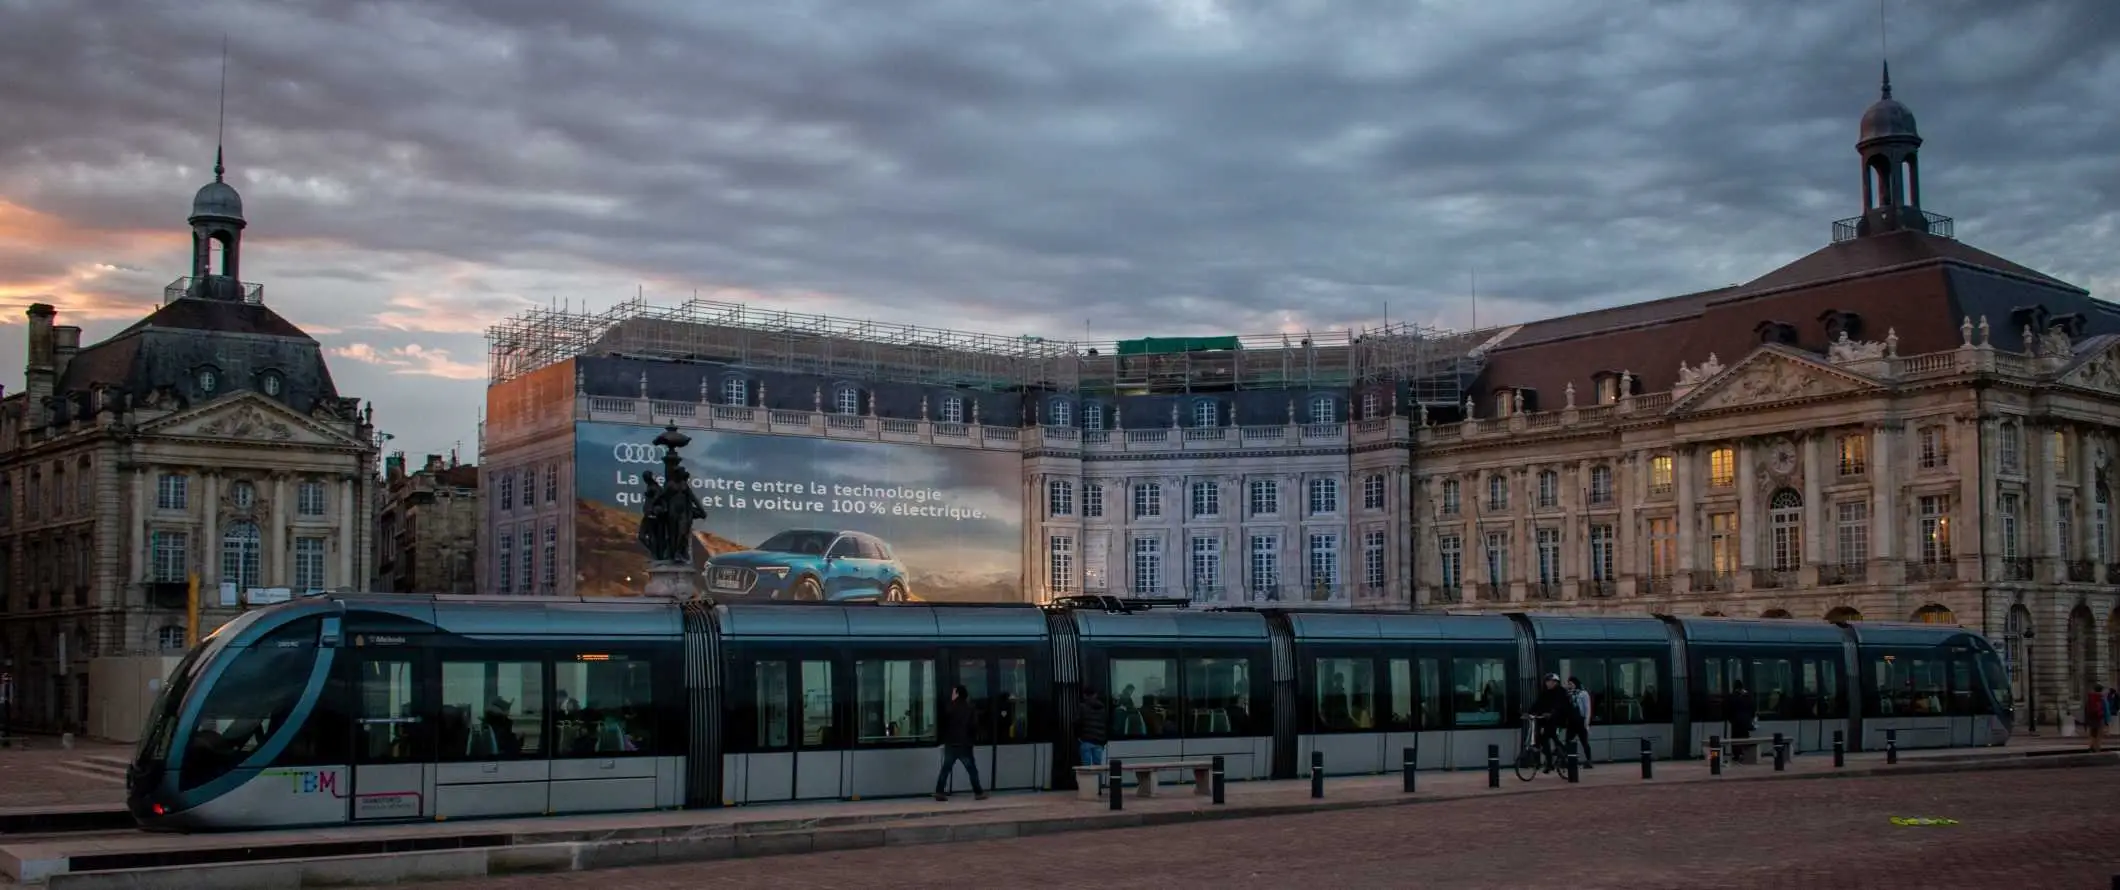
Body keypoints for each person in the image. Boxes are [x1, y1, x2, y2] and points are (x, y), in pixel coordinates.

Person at [934, 684, 987, 801]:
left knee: (945, 769)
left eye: (953, 692)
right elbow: (974, 726)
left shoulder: (948, 707)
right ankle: (978, 792)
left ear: (957, 694)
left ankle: (939, 792)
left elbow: (943, 725)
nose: (952, 695)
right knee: (972, 769)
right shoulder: (970, 708)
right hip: (965, 744)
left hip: (951, 744)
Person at [1526, 673, 1571, 772]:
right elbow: (1538, 703)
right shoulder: (1545, 693)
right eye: (1546, 681)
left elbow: (1561, 705)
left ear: (1555, 682)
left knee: (1548, 734)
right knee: (1543, 738)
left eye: (1549, 681)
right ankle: (1551, 760)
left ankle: (1562, 753)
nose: (1547, 683)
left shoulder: (1561, 692)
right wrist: (1528, 713)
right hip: (1547, 719)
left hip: (1559, 719)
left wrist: (1552, 713)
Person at [1077, 684, 1108, 769]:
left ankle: (1088, 782)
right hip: (1099, 742)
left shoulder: (1082, 707)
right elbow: (1106, 723)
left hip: (1086, 741)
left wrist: (1079, 737)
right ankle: (1098, 782)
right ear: (1095, 695)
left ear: (1084, 695)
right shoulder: (1102, 708)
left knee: (1086, 768)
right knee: (1097, 767)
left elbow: (1076, 722)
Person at [1564, 676, 1593, 769]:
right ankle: (1567, 759)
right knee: (1567, 741)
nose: (1569, 686)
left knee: (1584, 742)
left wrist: (1586, 722)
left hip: (1580, 721)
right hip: (1571, 721)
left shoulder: (1583, 694)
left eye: (1571, 684)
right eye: (1568, 684)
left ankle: (1589, 760)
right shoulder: (1569, 694)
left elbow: (1587, 708)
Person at [2086, 683, 2109, 753]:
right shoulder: (2102, 698)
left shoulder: (2090, 697)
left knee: (2092, 734)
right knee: (2099, 735)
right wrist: (2107, 721)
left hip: (2091, 718)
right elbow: (2106, 710)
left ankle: (2091, 747)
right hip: (2100, 718)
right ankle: (2097, 749)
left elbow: (2086, 708)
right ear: (2101, 690)